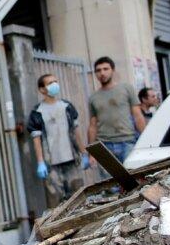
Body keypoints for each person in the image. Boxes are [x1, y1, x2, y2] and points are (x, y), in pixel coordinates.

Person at [28, 74, 91, 209]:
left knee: (79, 199)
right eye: (50, 83)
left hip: (71, 160)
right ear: (42, 89)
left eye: (55, 81)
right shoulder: (37, 112)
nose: (54, 85)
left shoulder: (67, 107)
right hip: (51, 165)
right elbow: (36, 139)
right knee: (56, 203)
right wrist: (40, 162)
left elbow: (76, 132)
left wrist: (84, 153)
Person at [88, 56, 146, 163]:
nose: (102, 73)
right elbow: (92, 125)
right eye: (98, 70)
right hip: (104, 146)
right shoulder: (93, 97)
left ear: (113, 70)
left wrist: (146, 140)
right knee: (109, 175)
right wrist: (92, 153)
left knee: (132, 173)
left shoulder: (126, 88)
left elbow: (138, 116)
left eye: (106, 69)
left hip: (127, 143)